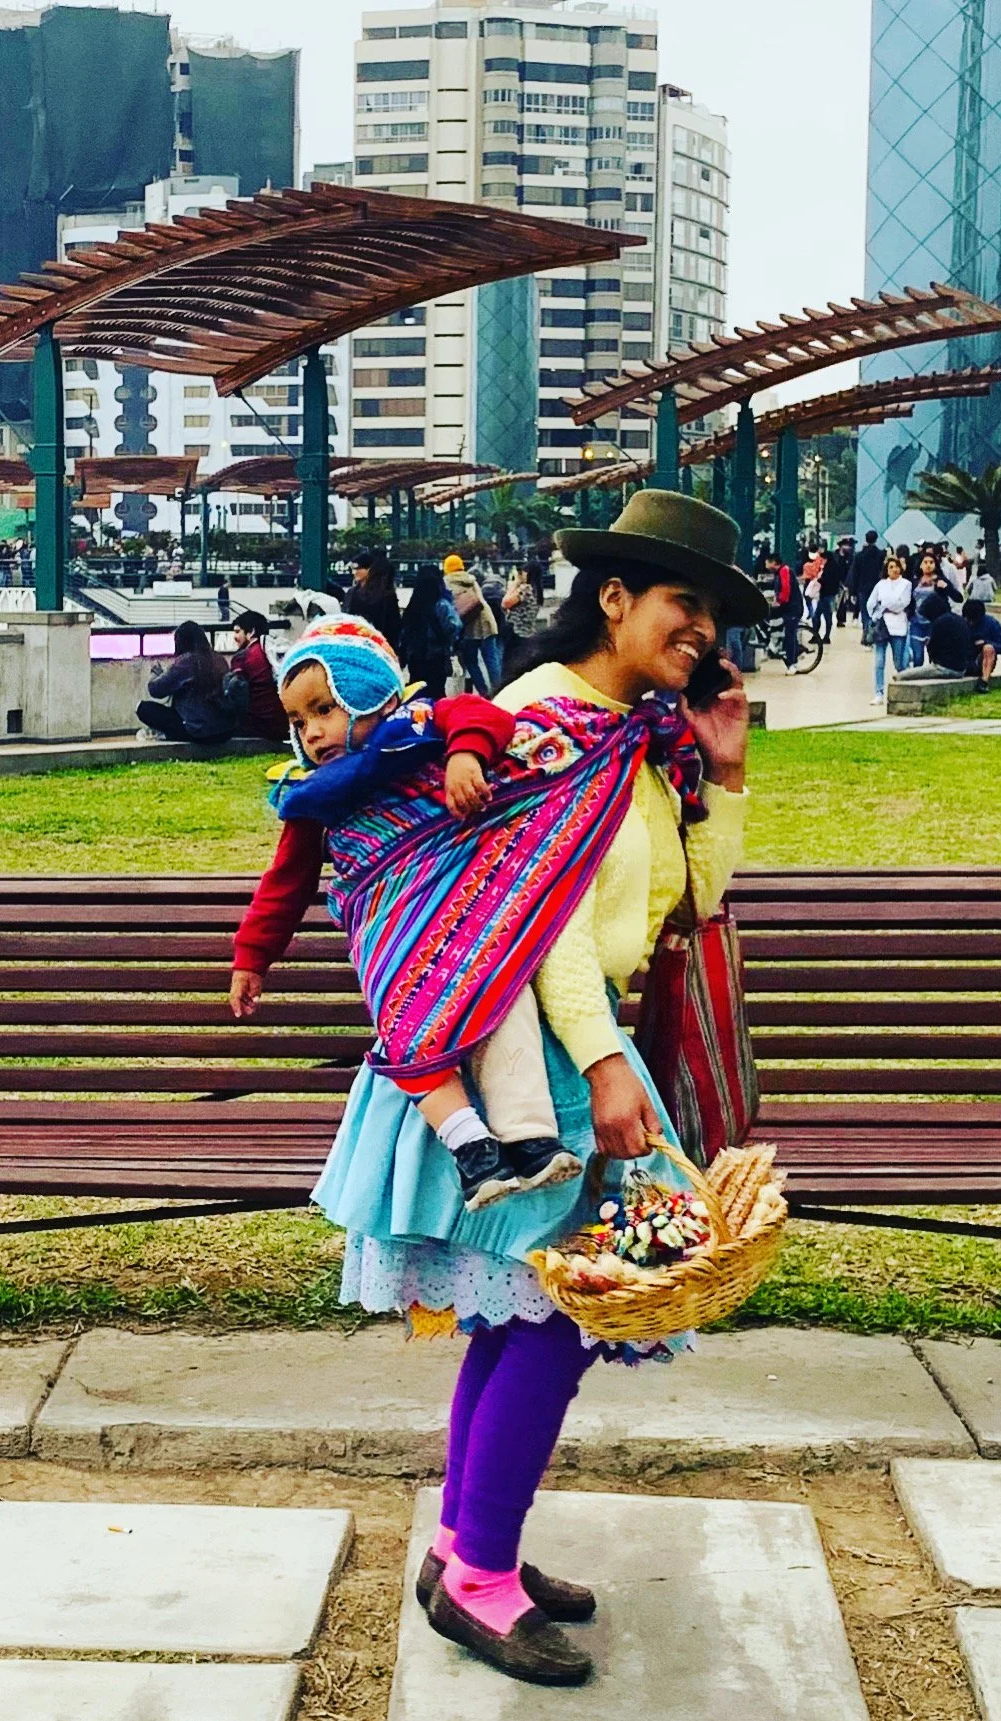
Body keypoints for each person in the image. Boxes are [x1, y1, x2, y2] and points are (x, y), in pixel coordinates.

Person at [303, 491, 763, 1685]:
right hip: (524, 1063)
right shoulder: (533, 722)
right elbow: (526, 917)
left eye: (711, 612)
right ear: (613, 597)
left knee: (526, 1314)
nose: (701, 631)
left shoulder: (633, 732)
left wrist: (726, 775)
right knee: (563, 1317)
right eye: (684, 604)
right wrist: (605, 1065)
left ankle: (467, 1544)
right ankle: (482, 1577)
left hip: (583, 1049)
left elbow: (694, 903)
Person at [231, 616, 578, 1211]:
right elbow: (285, 885)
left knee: (503, 994)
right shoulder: (315, 798)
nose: (313, 733)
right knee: (407, 1028)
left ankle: (531, 1137)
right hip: (391, 938)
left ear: (371, 692)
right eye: (299, 721)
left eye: (325, 708)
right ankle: (471, 1146)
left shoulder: (422, 730)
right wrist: (252, 957)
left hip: (471, 923)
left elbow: (484, 715)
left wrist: (465, 757)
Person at [136, 620, 234, 744]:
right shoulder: (219, 660)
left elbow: (156, 690)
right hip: (224, 731)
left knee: (142, 708)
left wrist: (155, 674)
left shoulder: (186, 662)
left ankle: (166, 733)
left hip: (197, 730)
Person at [223, 611, 289, 743]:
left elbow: (235, 695)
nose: (234, 637)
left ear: (251, 632)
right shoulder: (270, 652)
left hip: (257, 724)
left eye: (237, 632)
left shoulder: (242, 658)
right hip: (280, 723)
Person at [401, 562, 463, 698]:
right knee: (437, 691)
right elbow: (455, 626)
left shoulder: (413, 605)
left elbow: (405, 632)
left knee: (417, 689)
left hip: (416, 656)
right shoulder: (442, 604)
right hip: (437, 655)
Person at [444, 553, 501, 694]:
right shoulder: (471, 579)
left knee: (471, 661)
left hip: (469, 626)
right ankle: (500, 690)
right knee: (491, 660)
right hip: (487, 621)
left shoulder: (447, 582)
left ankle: (484, 692)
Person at [866, 554, 914, 704]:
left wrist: (885, 604)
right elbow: (871, 603)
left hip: (898, 626)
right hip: (882, 626)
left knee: (899, 662)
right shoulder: (881, 584)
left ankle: (903, 688)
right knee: (879, 662)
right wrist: (877, 612)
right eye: (890, 567)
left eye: (896, 567)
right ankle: (878, 692)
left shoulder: (906, 584)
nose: (893, 570)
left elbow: (902, 604)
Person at [344, 550, 403, 655]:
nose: (354, 572)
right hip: (366, 645)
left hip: (369, 645)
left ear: (370, 569)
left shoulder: (385, 596)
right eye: (353, 569)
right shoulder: (352, 593)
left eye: (359, 568)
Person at [962, 598, 1001, 692]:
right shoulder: (961, 623)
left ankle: (984, 681)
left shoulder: (991, 623)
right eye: (968, 620)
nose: (971, 623)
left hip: (982, 660)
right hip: (964, 660)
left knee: (988, 648)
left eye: (973, 620)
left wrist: (985, 642)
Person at [849, 530, 885, 645]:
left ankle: (866, 635)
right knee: (875, 612)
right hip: (877, 588)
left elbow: (855, 574)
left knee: (865, 613)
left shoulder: (859, 555)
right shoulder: (880, 554)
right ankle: (873, 634)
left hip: (862, 588)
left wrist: (853, 591)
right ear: (876, 539)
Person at [772, 548, 804, 673]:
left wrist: (779, 601)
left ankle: (792, 663)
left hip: (792, 608)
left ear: (774, 562)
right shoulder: (780, 572)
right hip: (788, 607)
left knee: (790, 635)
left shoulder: (784, 571)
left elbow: (785, 590)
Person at [502, 559, 543, 646]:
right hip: (528, 631)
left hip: (516, 632)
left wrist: (515, 584)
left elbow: (505, 603)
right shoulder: (538, 591)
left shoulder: (525, 589)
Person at [907, 559, 939, 668]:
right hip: (916, 622)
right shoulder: (914, 582)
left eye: (931, 562)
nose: (928, 565)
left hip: (933, 623)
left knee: (935, 657)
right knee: (918, 657)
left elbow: (955, 596)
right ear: (920, 565)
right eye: (925, 562)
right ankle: (916, 681)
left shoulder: (940, 581)